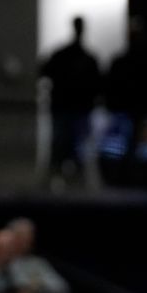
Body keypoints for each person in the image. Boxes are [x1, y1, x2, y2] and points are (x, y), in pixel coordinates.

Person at [40, 16, 101, 186]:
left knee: (77, 150)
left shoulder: (82, 57)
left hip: (76, 110)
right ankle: (56, 182)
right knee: (62, 148)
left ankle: (72, 182)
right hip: (67, 109)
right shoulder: (69, 56)